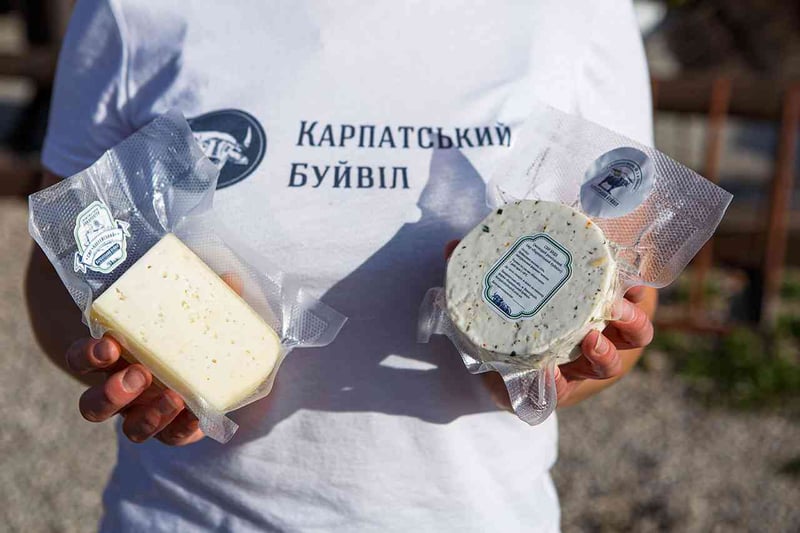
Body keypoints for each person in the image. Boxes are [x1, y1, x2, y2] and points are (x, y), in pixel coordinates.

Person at [25, 1, 657, 531]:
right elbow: (58, 271)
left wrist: (544, 372)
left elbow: (626, 292)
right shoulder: (133, 9)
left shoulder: (577, 12)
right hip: (187, 516)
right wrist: (136, 364)